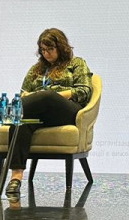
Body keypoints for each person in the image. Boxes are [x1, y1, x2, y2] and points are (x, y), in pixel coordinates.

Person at [5, 28, 94, 197]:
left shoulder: (76, 63)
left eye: (50, 49)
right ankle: (16, 178)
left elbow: (84, 91)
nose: (46, 54)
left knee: (47, 95)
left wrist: (52, 95)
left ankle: (5, 113)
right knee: (20, 124)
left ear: (61, 47)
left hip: (67, 110)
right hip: (42, 113)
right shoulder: (37, 69)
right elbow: (23, 93)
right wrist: (32, 96)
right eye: (43, 50)